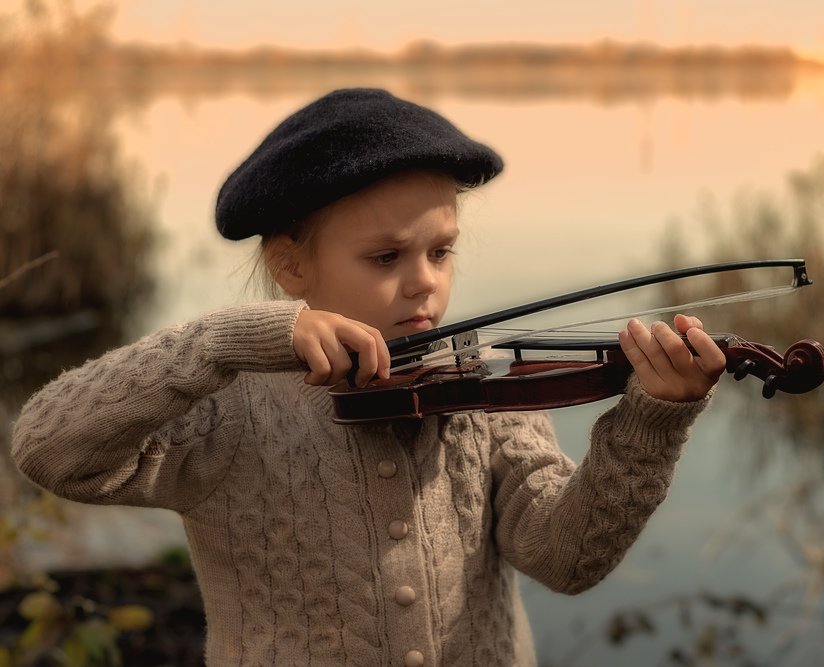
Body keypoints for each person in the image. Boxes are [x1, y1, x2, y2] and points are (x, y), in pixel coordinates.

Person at [11, 88, 726, 666]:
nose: (425, 284)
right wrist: (225, 342)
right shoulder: (229, 403)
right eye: (386, 258)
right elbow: (48, 446)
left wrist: (649, 425)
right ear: (292, 265)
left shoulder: (478, 390)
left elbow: (566, 558)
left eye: (440, 252)